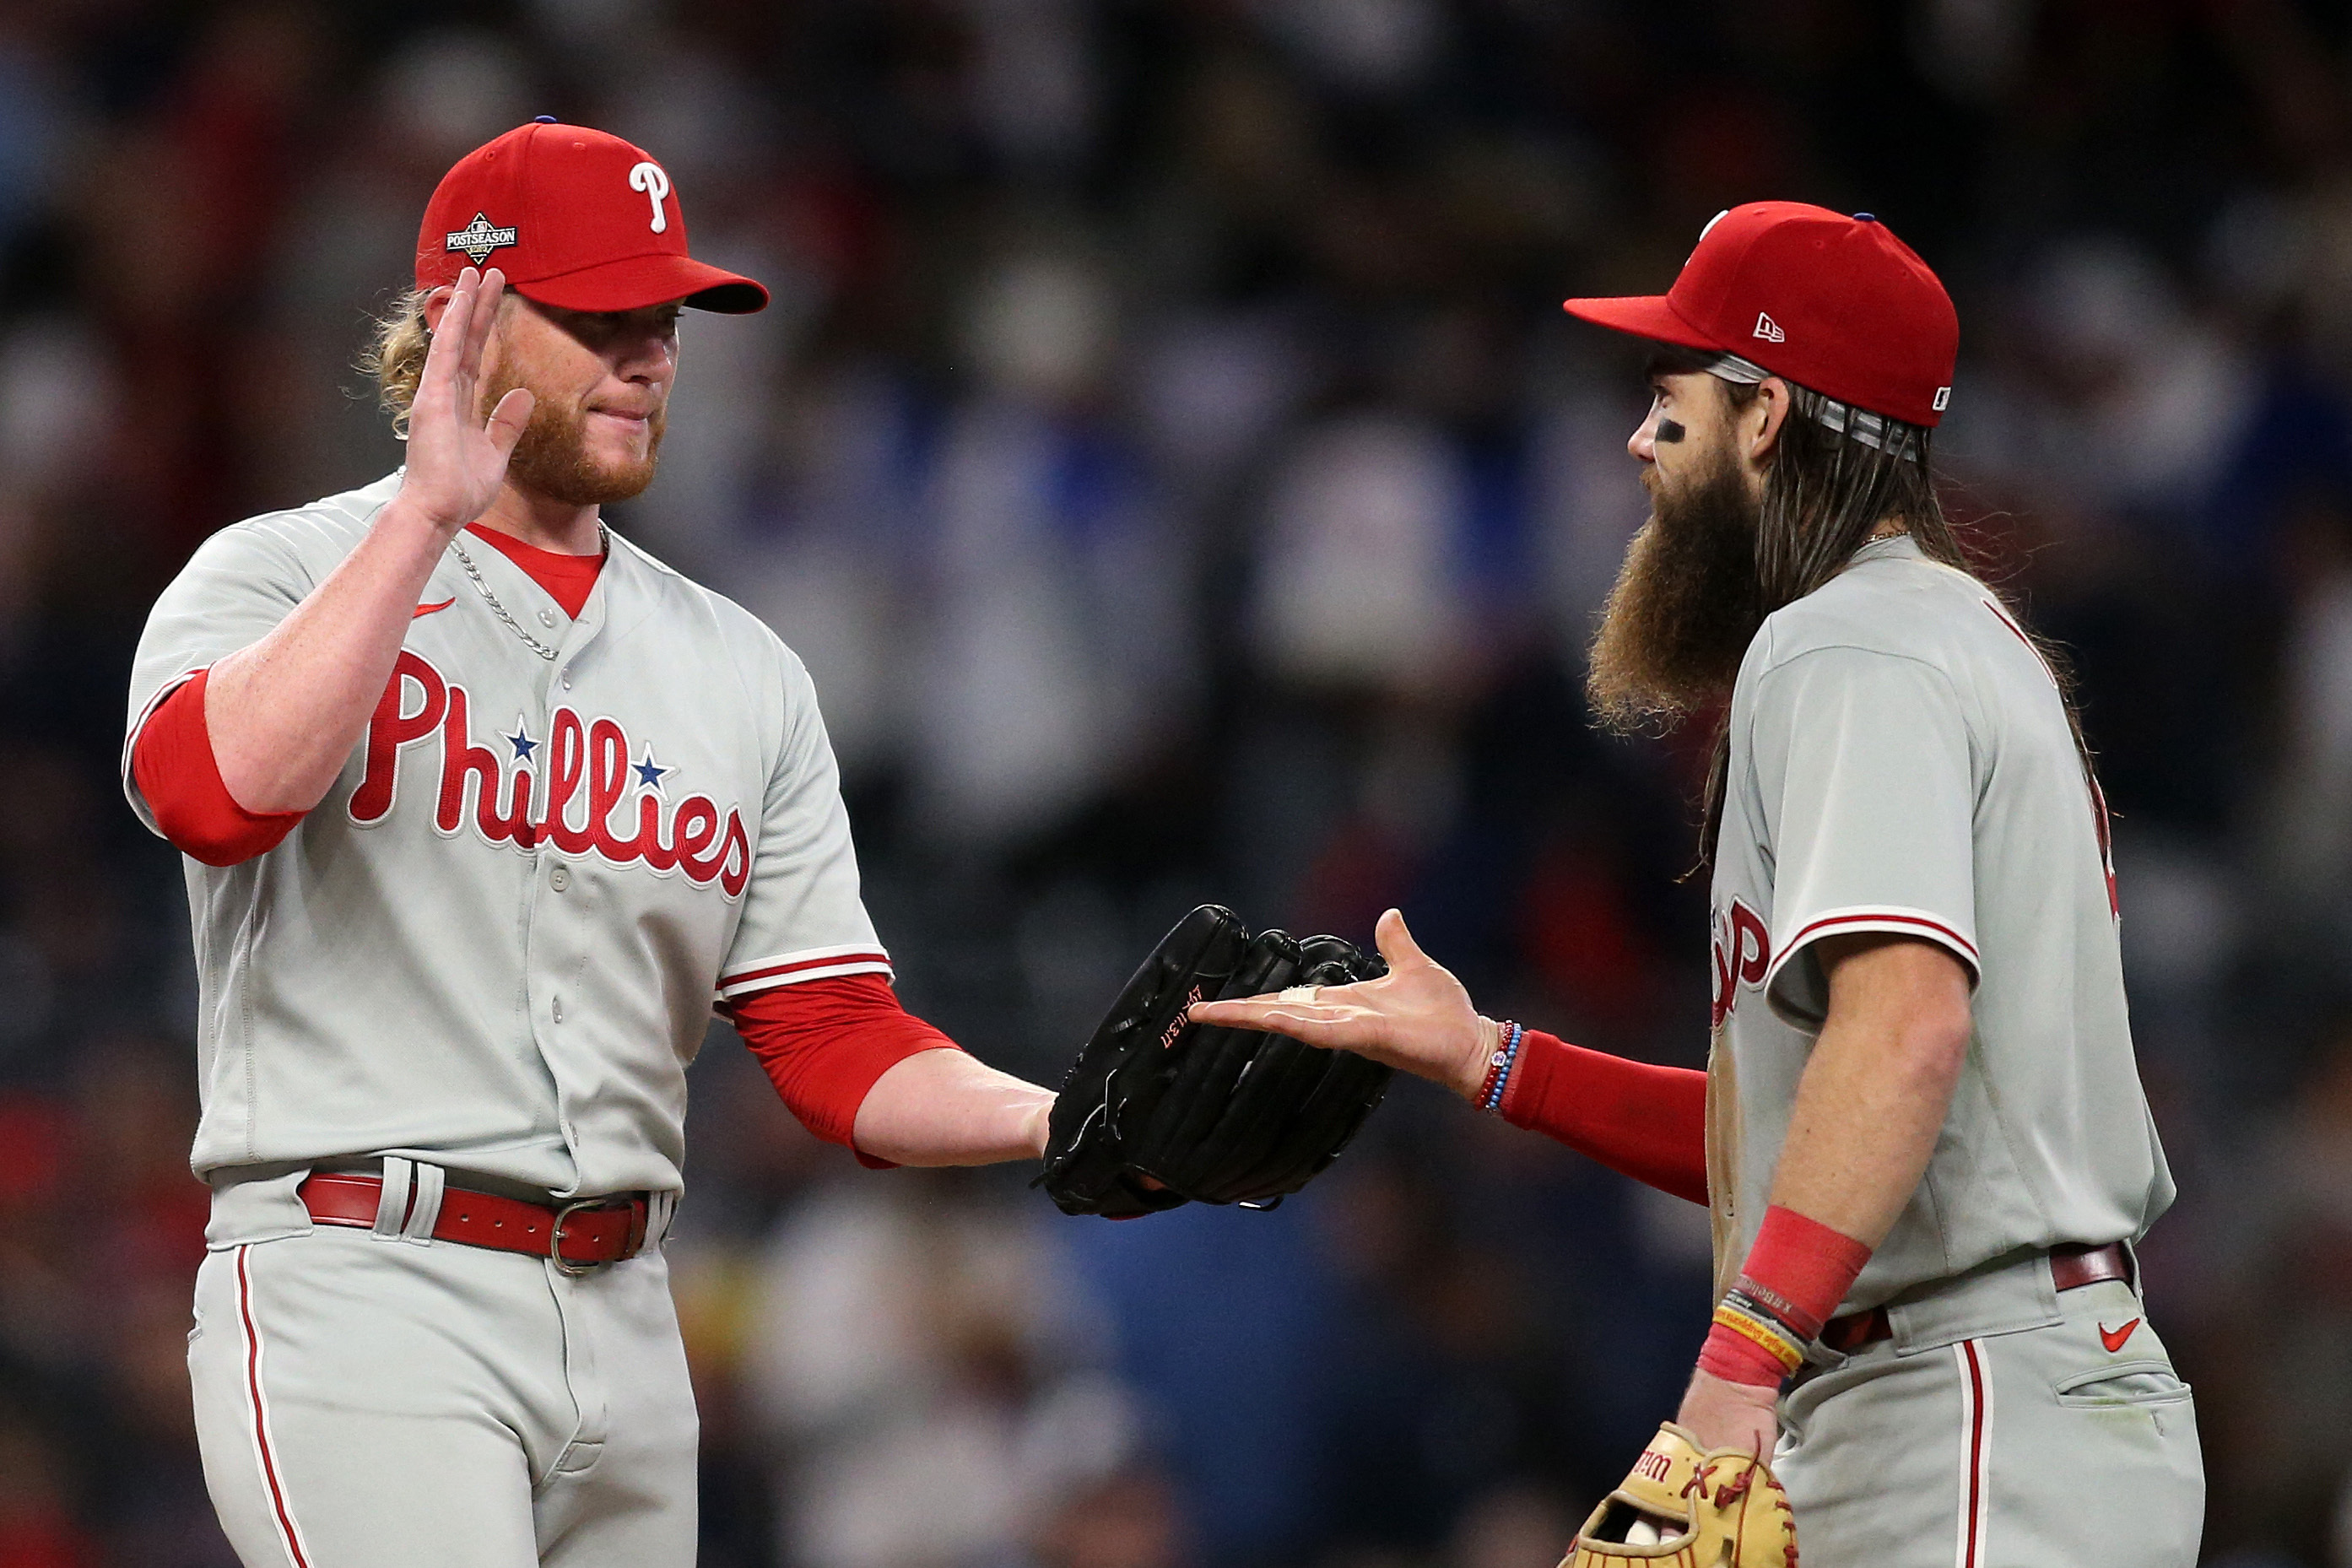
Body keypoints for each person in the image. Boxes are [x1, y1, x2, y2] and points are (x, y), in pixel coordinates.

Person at [1192, 202, 2204, 1566]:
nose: (1638, 441)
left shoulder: (1849, 644)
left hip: (1968, 1405)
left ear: (1769, 416)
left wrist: (1732, 1372)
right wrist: (1497, 1057)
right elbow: (1817, 1137)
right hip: (1964, 1390)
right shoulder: (1936, 636)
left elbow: (1905, 1032)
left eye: (1671, 402)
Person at [122, 119, 1057, 1568]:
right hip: (368, 1291)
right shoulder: (276, 571)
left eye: (663, 317)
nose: (648, 353)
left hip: (631, 1326)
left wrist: (1061, 1118)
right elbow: (214, 795)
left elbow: (831, 1036)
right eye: (599, 315)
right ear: (459, 321)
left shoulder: (742, 669)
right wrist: (429, 516)